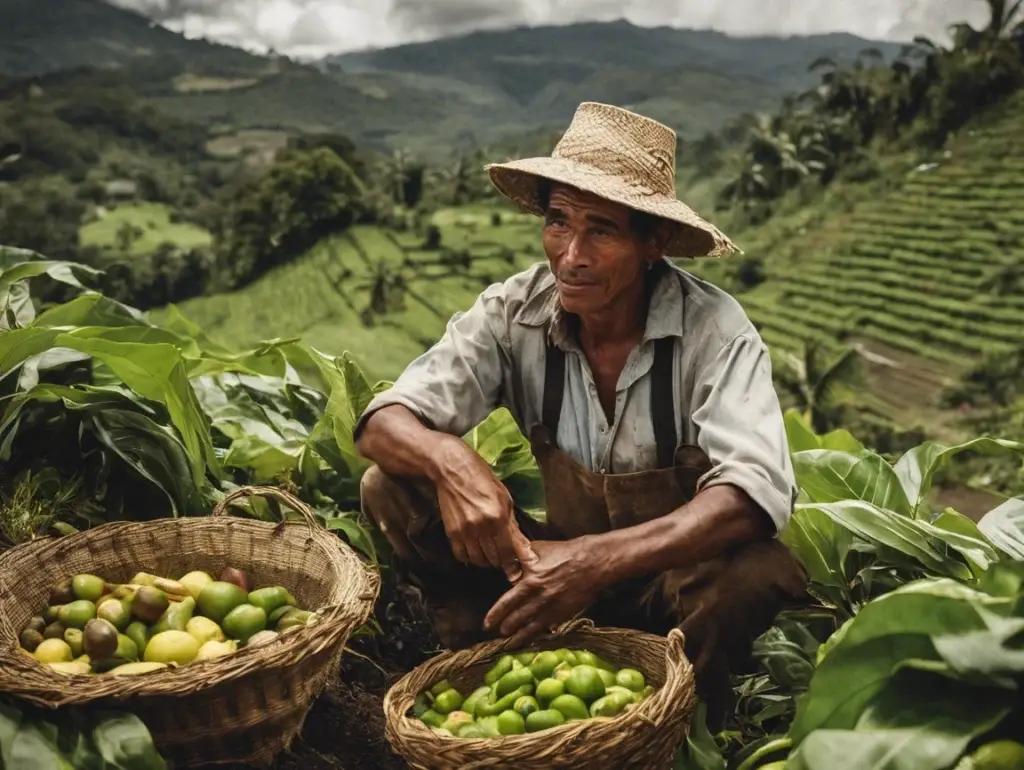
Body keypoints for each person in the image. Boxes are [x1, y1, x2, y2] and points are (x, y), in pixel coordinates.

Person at [354, 101, 808, 729]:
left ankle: (681, 723)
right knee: (394, 484)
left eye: (602, 230)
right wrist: (451, 458)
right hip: (544, 566)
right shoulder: (513, 313)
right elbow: (384, 422)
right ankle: (486, 651)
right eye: (559, 221)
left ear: (653, 242)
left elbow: (752, 494)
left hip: (664, 580)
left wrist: (596, 561)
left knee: (756, 572)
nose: (571, 255)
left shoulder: (713, 332)